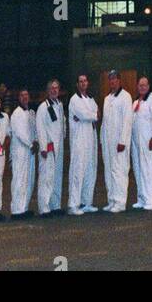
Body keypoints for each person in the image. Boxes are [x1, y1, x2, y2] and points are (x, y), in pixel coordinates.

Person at [101, 70, 133, 213]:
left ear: (119, 80)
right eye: (110, 79)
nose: (112, 82)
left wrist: (123, 141)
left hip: (119, 142)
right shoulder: (107, 98)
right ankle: (112, 200)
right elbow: (104, 121)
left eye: (115, 79)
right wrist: (102, 139)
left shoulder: (126, 97)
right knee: (109, 171)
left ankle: (120, 202)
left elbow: (127, 121)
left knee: (119, 171)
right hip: (107, 141)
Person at [67, 72, 99, 215]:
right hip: (79, 140)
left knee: (90, 170)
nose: (83, 83)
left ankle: (87, 202)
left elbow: (97, 112)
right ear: (77, 84)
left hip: (90, 138)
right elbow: (84, 114)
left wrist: (91, 116)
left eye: (85, 81)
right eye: (80, 81)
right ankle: (73, 204)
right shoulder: (74, 100)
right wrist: (91, 116)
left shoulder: (91, 99)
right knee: (77, 171)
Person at [131, 75, 152, 210]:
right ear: (137, 87)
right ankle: (142, 198)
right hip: (136, 142)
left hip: (148, 140)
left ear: (149, 86)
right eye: (140, 85)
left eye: (145, 85)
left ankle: (151, 200)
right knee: (138, 169)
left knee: (149, 170)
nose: (142, 87)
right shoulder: (136, 102)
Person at [36, 78, 65, 217]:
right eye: (52, 88)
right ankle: (44, 207)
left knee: (57, 177)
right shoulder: (43, 107)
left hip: (59, 146)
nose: (54, 90)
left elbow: (62, 124)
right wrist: (43, 147)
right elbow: (40, 128)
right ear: (48, 91)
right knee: (46, 178)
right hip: (48, 147)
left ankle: (55, 205)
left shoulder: (59, 104)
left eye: (56, 88)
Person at [9, 88, 38, 219]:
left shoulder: (31, 113)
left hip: (30, 151)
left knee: (29, 179)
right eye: (22, 95)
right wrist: (31, 144)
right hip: (20, 151)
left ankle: (24, 207)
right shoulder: (16, 113)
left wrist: (36, 142)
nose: (25, 97)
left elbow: (35, 130)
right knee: (19, 179)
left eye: (26, 95)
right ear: (18, 98)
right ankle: (16, 210)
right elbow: (20, 134)